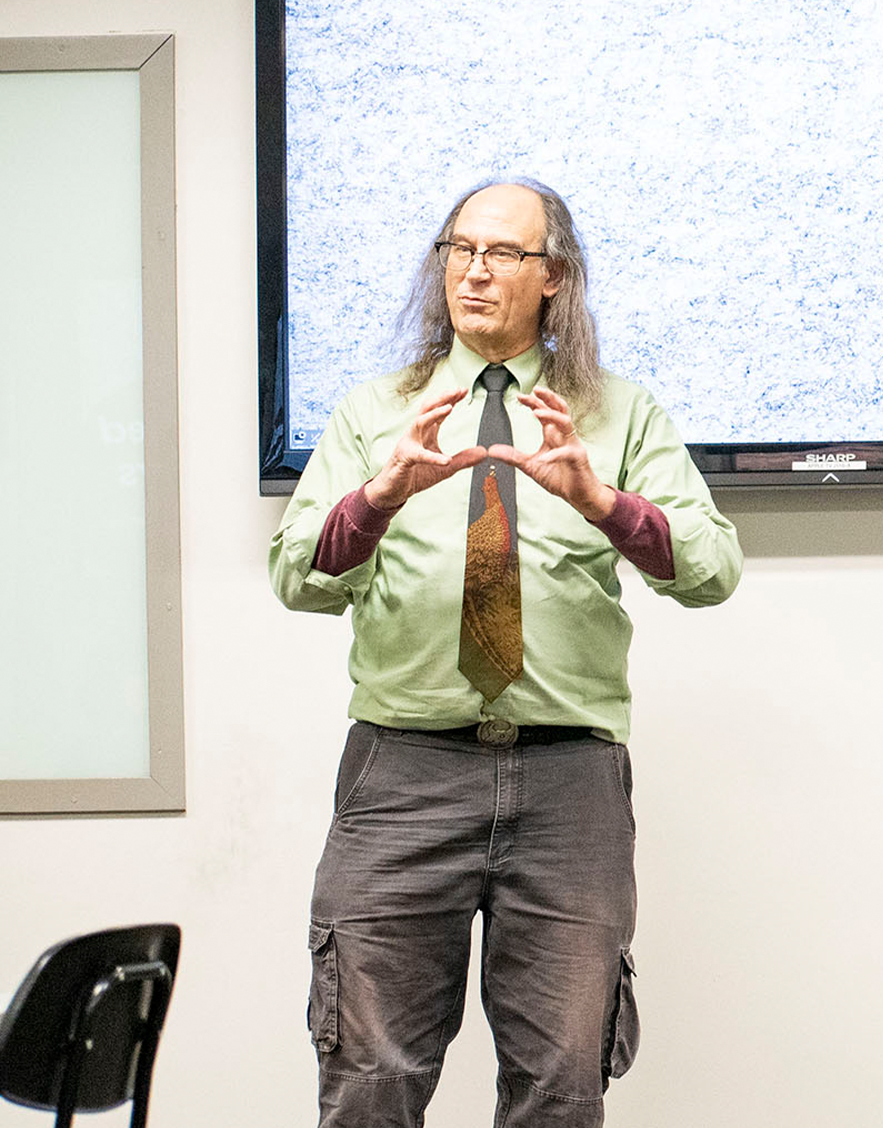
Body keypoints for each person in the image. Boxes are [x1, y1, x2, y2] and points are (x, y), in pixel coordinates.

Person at [270, 179, 742, 1127]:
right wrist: (381, 496)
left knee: (561, 1085)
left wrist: (606, 504)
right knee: (371, 1078)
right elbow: (298, 575)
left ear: (553, 278)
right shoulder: (379, 414)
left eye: (503, 254)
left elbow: (710, 568)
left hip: (570, 783)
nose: (475, 271)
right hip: (402, 775)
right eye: (460, 248)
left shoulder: (617, 414)